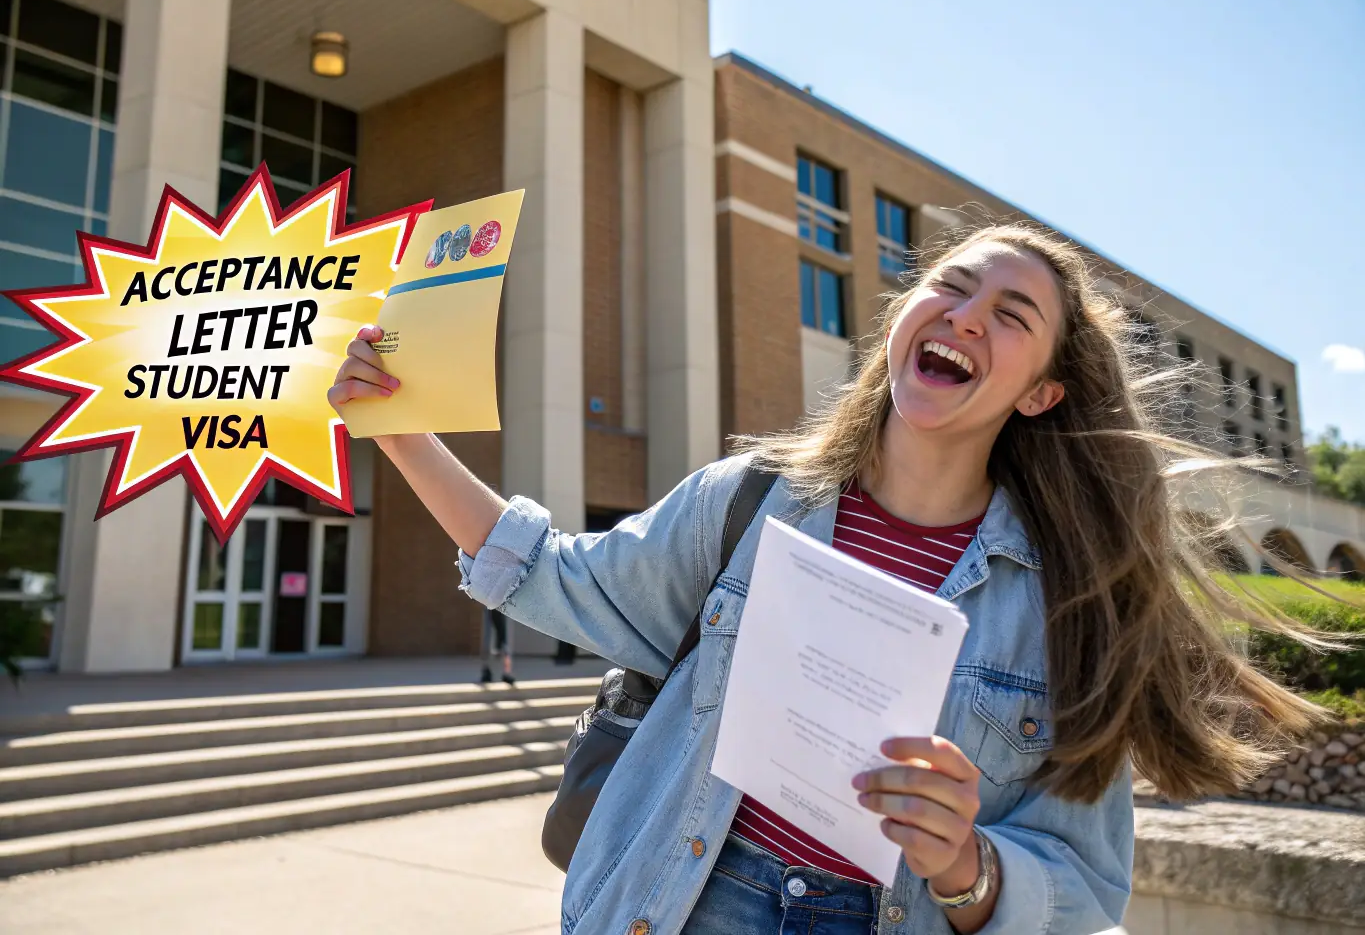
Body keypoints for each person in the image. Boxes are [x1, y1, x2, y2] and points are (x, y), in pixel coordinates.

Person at [330, 223, 1325, 934]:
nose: (966, 315)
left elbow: (1085, 886)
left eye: (1010, 313)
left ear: (1041, 392)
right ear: (905, 319)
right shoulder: (748, 500)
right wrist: (403, 435)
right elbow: (551, 577)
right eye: (953, 285)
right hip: (683, 902)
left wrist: (967, 867)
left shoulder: (1069, 605)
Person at [480, 606, 514, 685]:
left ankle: (506, 672)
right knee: (489, 637)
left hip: (502, 605)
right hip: (492, 604)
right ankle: (487, 670)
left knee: (504, 639)